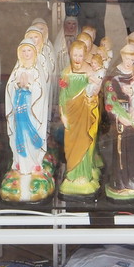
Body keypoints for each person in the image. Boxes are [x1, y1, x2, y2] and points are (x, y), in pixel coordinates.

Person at [3, 39, 51, 201]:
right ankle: (20, 164)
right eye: (23, 51)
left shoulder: (37, 71)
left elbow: (41, 91)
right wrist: (17, 85)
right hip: (19, 114)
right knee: (20, 137)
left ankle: (33, 163)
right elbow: (9, 89)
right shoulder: (17, 70)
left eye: (29, 51)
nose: (26, 54)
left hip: (32, 115)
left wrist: (29, 86)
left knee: (31, 139)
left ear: (34, 53)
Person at [103, 43, 134, 199]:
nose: (129, 62)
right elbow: (110, 101)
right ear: (122, 56)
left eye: (133, 59)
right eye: (127, 58)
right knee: (120, 152)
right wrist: (119, 116)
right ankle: (120, 183)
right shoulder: (114, 76)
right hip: (121, 118)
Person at [58, 40, 101, 195]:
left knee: (84, 141)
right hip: (71, 114)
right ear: (70, 55)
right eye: (75, 55)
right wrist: (62, 114)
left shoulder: (89, 71)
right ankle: (72, 174)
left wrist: (94, 90)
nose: (77, 58)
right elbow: (62, 95)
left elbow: (95, 92)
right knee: (70, 144)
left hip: (84, 113)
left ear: (85, 55)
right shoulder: (66, 72)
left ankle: (83, 174)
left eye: (80, 55)